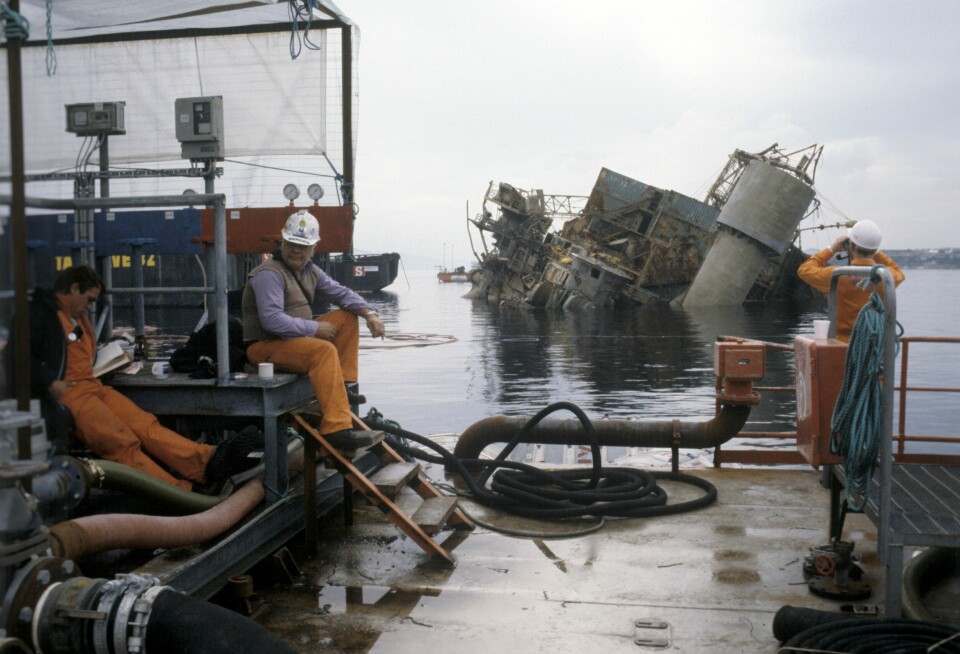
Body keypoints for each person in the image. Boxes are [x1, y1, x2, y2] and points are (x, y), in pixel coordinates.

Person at [28, 265, 255, 493]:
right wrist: (49, 381)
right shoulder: (40, 315)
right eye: (88, 300)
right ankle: (178, 491)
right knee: (119, 441)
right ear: (74, 289)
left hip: (94, 387)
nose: (89, 307)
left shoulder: (77, 318)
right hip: (70, 395)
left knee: (145, 424)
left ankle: (206, 462)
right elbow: (18, 358)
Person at [241, 210, 385, 448]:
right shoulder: (269, 274)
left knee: (348, 317)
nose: (297, 250)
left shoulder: (309, 270)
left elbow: (341, 293)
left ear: (313, 249)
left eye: (303, 245)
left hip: (293, 342)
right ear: (283, 241)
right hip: (263, 347)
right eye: (292, 243)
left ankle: (344, 386)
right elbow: (271, 321)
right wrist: (314, 328)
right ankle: (336, 430)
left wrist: (370, 314)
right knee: (323, 351)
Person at [797, 219, 905, 343]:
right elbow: (899, 273)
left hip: (841, 345)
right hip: (874, 346)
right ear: (875, 249)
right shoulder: (885, 277)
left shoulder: (836, 275)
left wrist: (831, 249)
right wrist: (875, 251)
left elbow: (804, 270)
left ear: (851, 246)